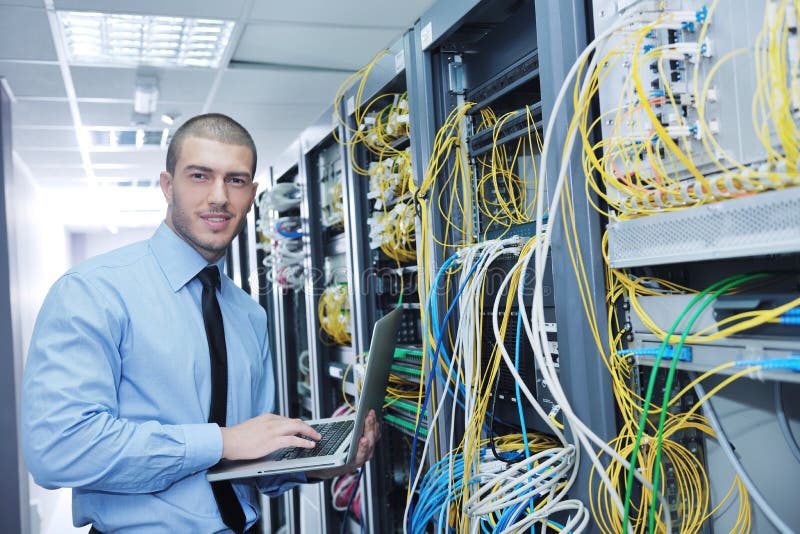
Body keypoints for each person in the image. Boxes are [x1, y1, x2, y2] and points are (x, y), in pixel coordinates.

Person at [21, 113, 380, 533]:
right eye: (199, 175)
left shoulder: (248, 314)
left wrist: (321, 465)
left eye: (236, 180)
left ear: (252, 194)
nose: (219, 197)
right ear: (167, 184)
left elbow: (247, 455)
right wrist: (221, 440)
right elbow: (59, 449)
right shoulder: (93, 292)